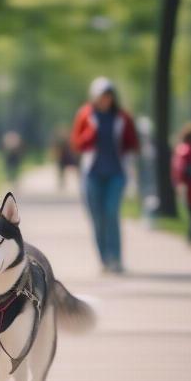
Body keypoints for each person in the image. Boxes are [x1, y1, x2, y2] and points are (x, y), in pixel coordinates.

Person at [70, 77, 139, 273]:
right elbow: (76, 144)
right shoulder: (85, 115)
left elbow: (132, 143)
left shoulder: (122, 117)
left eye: (108, 95)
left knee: (111, 213)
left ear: (112, 97)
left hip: (116, 173)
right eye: (101, 96)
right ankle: (104, 260)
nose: (105, 100)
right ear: (94, 97)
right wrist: (91, 134)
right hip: (92, 174)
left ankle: (116, 258)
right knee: (97, 218)